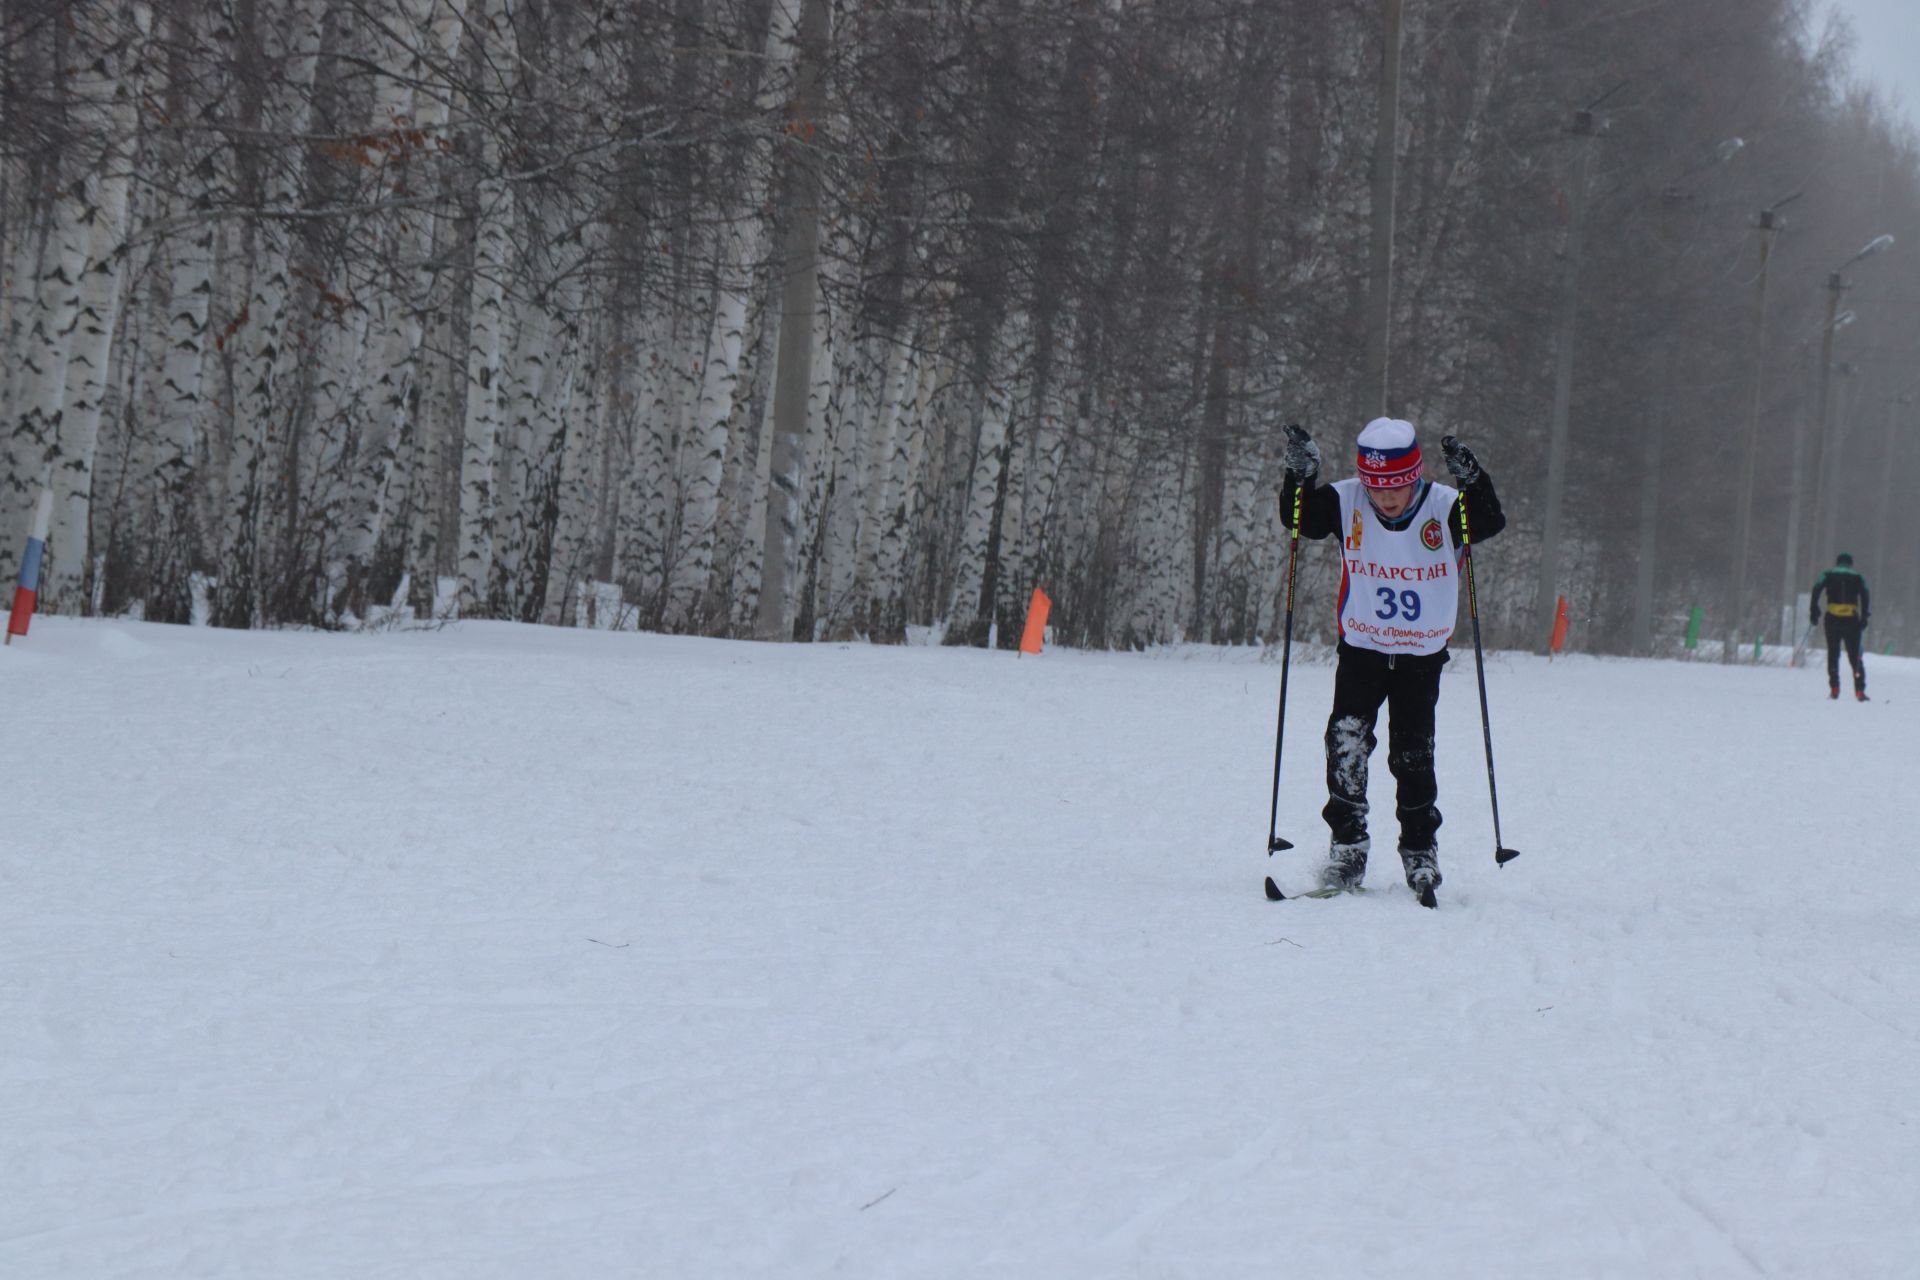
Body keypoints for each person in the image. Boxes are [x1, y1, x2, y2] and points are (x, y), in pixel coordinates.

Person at [1278, 417, 1506, 900]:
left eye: (1397, 486)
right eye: (1376, 487)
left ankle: (1420, 852)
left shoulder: (1444, 507)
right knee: (1345, 743)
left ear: (1415, 476)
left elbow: (1488, 522)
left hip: (1420, 657)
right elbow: (1298, 519)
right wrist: (1300, 476)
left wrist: (1474, 481)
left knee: (1412, 755)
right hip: (1362, 649)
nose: (1385, 498)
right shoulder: (1346, 500)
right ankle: (1348, 847)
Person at [1809, 552, 1870, 701]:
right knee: (1854, 656)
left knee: (1833, 653)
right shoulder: (1858, 577)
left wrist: (1814, 610)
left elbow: (1816, 588)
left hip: (1832, 619)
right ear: (1850, 564)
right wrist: (1864, 616)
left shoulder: (1828, 574)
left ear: (1837, 563)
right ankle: (1860, 690)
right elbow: (1865, 594)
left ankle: (1835, 688)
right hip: (1851, 619)